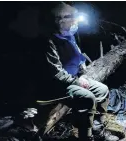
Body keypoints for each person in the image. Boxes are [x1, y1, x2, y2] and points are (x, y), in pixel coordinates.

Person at [38, 2, 119, 141]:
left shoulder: (69, 35)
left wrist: (82, 72)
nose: (75, 22)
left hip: (73, 79)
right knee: (87, 98)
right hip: (57, 86)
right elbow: (56, 73)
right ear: (59, 20)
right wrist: (76, 81)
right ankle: (85, 136)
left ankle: (98, 130)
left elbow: (77, 55)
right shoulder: (49, 41)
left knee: (102, 90)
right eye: (72, 19)